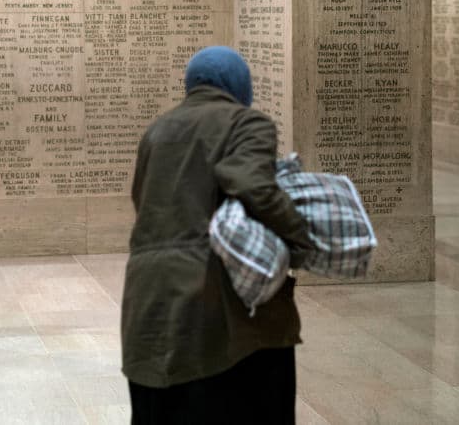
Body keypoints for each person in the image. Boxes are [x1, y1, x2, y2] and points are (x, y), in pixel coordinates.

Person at [121, 46, 315, 424]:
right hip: (214, 304)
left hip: (147, 302)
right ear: (239, 84)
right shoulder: (245, 122)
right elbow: (253, 186)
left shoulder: (157, 130)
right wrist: (301, 238)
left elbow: (142, 199)